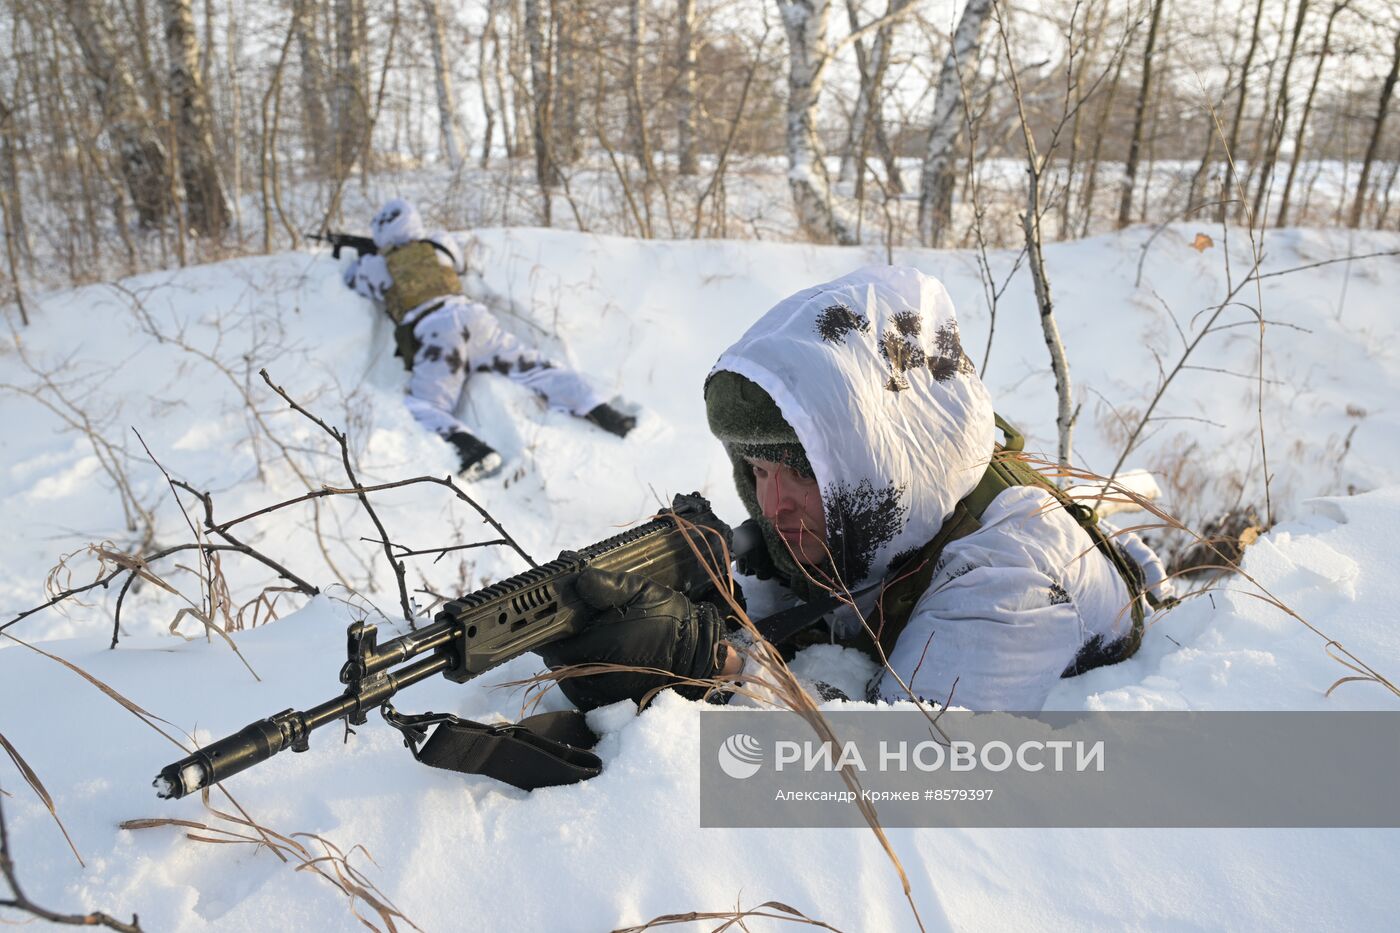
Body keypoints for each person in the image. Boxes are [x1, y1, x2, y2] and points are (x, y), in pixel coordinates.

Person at [539, 265, 1172, 712]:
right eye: (758, 473)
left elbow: (903, 781)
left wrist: (718, 670)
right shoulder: (891, 511)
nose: (774, 506)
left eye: (805, 472)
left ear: (880, 463)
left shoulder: (1011, 580)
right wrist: (711, 599)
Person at [342, 198, 637, 480]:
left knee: (425, 405)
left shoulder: (377, 267)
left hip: (437, 336)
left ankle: (473, 451)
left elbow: (354, 279)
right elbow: (457, 260)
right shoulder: (437, 243)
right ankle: (603, 411)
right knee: (538, 368)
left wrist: (368, 255)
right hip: (475, 320)